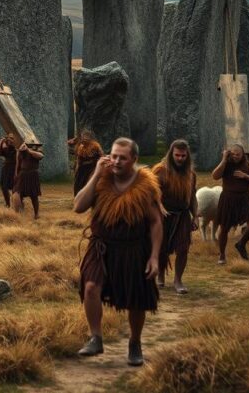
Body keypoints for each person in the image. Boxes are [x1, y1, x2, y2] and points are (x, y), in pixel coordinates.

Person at [74, 137, 162, 367]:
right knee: (91, 287)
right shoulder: (101, 179)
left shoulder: (145, 186)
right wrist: (95, 175)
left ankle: (135, 342)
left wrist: (154, 256)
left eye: (123, 157)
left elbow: (155, 222)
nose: (116, 161)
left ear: (134, 159)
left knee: (136, 300)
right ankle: (96, 337)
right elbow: (78, 206)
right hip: (101, 246)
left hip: (133, 249)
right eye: (113, 155)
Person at [151, 139, 197, 294]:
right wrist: (160, 207)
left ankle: (178, 280)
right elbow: (152, 192)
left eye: (183, 156)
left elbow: (192, 197)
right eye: (177, 155)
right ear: (171, 154)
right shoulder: (160, 170)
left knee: (183, 248)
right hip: (163, 215)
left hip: (182, 215)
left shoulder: (190, 174)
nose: (180, 159)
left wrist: (195, 216)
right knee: (161, 247)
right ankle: (160, 276)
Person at [211, 144, 249, 263]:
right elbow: (215, 176)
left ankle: (241, 244)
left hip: (245, 198)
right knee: (224, 228)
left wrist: (245, 176)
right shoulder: (226, 163)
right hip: (228, 198)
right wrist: (223, 159)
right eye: (232, 154)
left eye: (238, 154)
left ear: (243, 154)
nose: (235, 156)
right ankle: (222, 255)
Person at [14, 142, 44, 219]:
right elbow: (18, 164)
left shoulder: (37, 147)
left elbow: (41, 156)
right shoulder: (20, 150)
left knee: (34, 195)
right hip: (23, 174)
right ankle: (19, 214)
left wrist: (28, 150)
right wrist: (16, 175)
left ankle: (36, 214)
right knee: (18, 193)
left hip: (33, 174)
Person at [69, 130, 103, 195]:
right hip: (82, 169)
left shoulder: (95, 145)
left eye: (86, 137)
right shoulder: (81, 147)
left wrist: (96, 164)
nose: (84, 138)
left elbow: (101, 156)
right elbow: (79, 159)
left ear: (90, 138)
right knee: (78, 184)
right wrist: (77, 168)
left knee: (91, 182)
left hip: (92, 168)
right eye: (83, 137)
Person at [0, 134, 16, 208]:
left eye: (12, 138)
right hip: (6, 168)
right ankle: (7, 203)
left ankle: (17, 204)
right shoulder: (5, 146)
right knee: (4, 187)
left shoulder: (16, 147)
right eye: (9, 138)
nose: (10, 139)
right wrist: (1, 142)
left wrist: (6, 146)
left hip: (15, 168)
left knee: (15, 187)